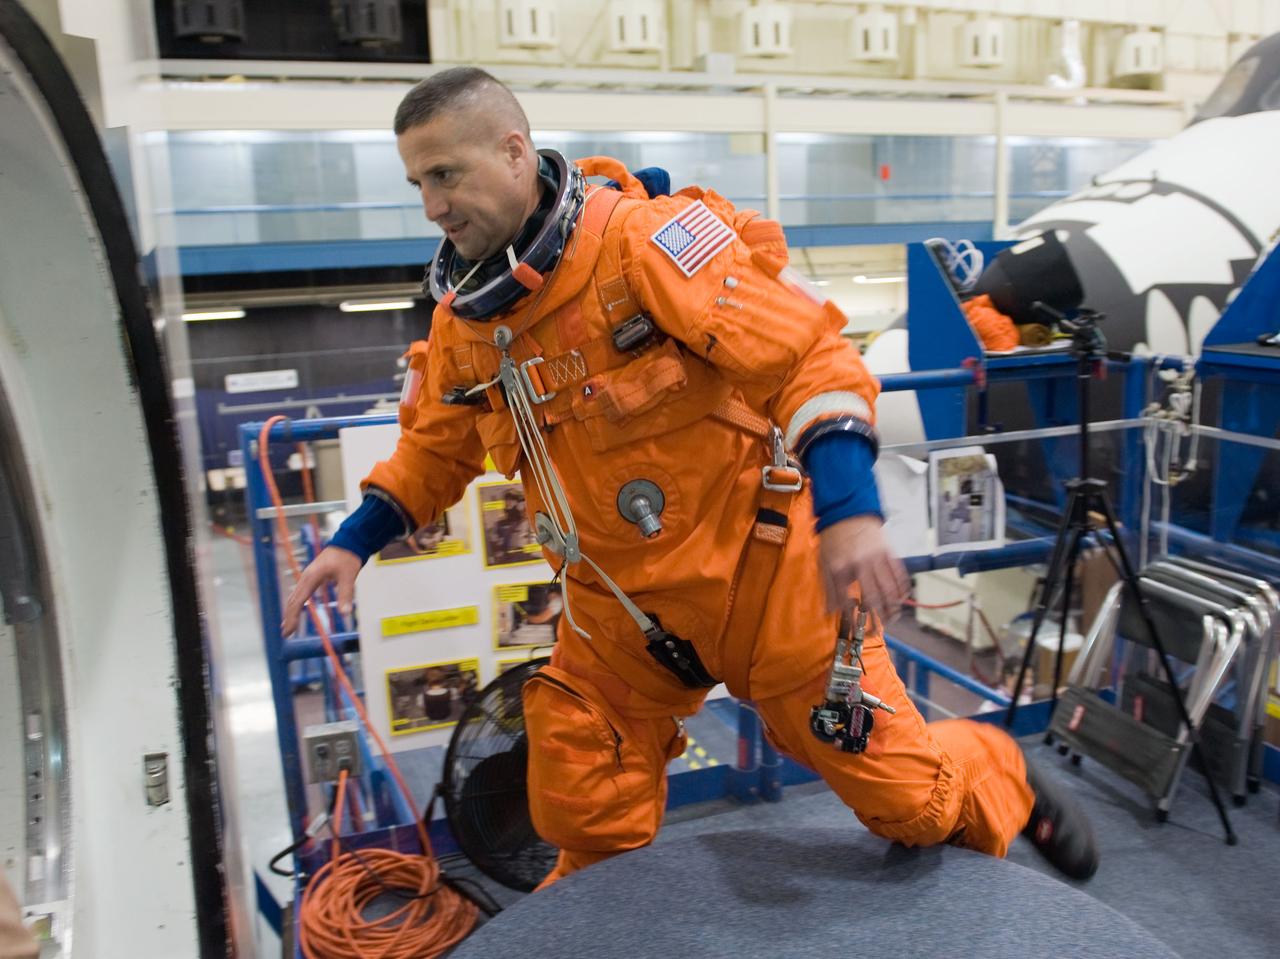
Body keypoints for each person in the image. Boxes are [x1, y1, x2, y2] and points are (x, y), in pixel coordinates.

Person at [282, 67, 1098, 886]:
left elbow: (807, 358)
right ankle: (589, 926)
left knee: (912, 804)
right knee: (579, 800)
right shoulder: (464, 326)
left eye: (445, 175)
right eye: (419, 184)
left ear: (514, 151)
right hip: (620, 612)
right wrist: (354, 541)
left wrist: (849, 510)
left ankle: (997, 769)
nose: (432, 205)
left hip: (766, 579)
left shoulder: (646, 245)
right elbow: (434, 449)